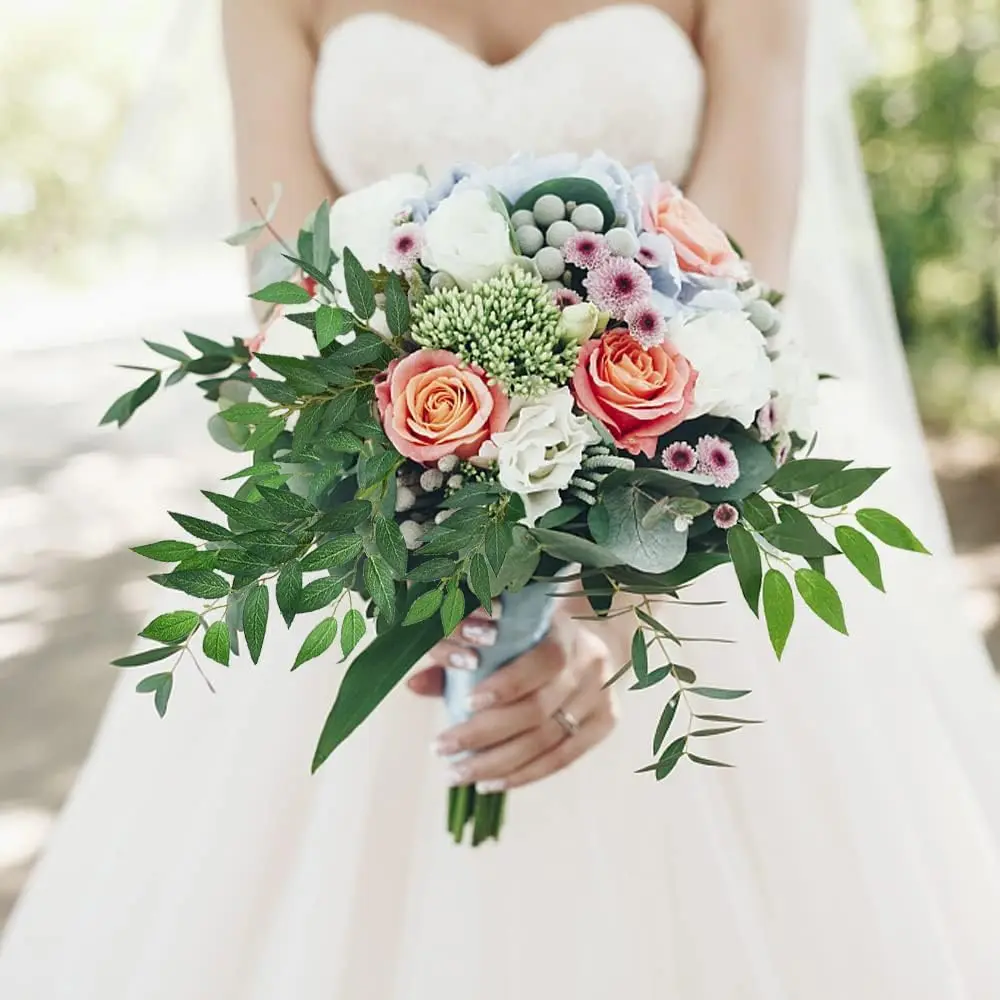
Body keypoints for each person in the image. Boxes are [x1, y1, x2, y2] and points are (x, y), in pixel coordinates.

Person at [3, 1, 1000, 997]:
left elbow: (745, 294)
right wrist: (407, 551)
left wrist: (609, 606)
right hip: (390, 522)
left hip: (691, 502)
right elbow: (288, 297)